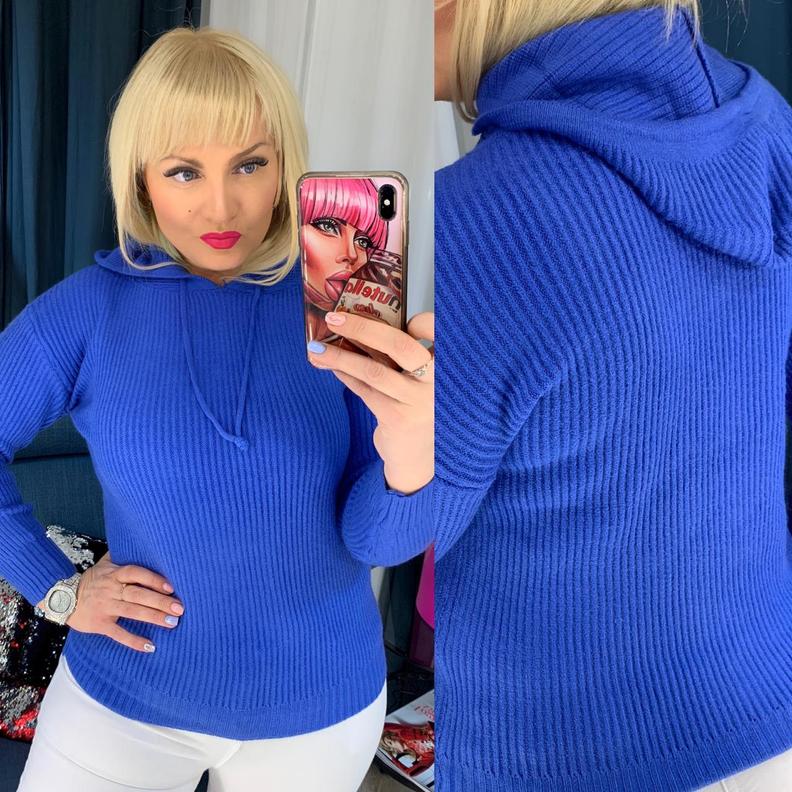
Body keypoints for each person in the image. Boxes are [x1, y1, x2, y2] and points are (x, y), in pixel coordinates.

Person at [4, 24, 434, 792]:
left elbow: (375, 540)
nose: (221, 203)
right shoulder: (86, 312)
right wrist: (56, 587)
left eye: (249, 164)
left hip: (320, 710)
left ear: (284, 166)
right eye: (183, 171)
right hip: (123, 699)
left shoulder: (340, 304)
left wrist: (413, 452)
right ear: (140, 178)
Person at [434, 0, 792, 790]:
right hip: (764, 712)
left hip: (560, 753)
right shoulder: (769, 125)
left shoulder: (472, 215)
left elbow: (389, 528)